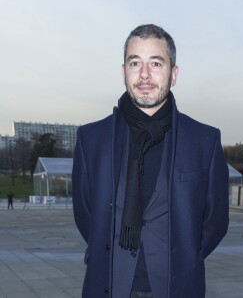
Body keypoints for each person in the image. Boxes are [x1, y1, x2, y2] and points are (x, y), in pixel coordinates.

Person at [72, 24, 229, 298]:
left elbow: (215, 221)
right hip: (109, 287)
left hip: (176, 288)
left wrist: (185, 258)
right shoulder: (91, 139)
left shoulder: (204, 141)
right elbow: (86, 216)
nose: (144, 74)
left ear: (174, 73)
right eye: (135, 63)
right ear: (123, 72)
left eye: (156, 63)